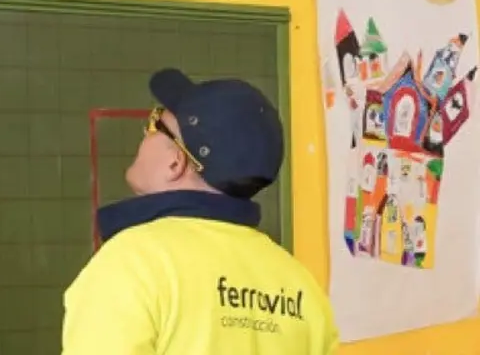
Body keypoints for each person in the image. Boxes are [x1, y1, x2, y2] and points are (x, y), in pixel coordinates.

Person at [62, 68, 339, 354]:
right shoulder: (299, 284)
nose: (145, 133)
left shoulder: (133, 263)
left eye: (155, 124)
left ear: (175, 162)